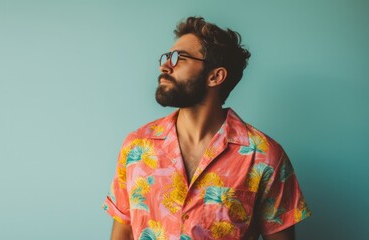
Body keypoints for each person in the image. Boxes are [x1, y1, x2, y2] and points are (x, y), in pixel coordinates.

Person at [102, 17, 311, 240]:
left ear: (215, 76)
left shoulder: (264, 157)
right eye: (166, 57)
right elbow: (123, 231)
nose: (165, 65)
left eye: (179, 58)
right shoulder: (137, 147)